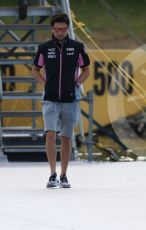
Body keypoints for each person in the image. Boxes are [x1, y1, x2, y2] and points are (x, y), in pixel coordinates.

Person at [32, 13, 90, 188]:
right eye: (57, 29)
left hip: (70, 99)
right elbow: (35, 69)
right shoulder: (44, 48)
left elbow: (86, 69)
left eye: (63, 29)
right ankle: (52, 174)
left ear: (67, 29)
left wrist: (77, 83)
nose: (60, 32)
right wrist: (44, 83)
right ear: (52, 29)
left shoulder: (77, 47)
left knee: (66, 138)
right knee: (50, 133)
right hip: (50, 98)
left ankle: (64, 174)